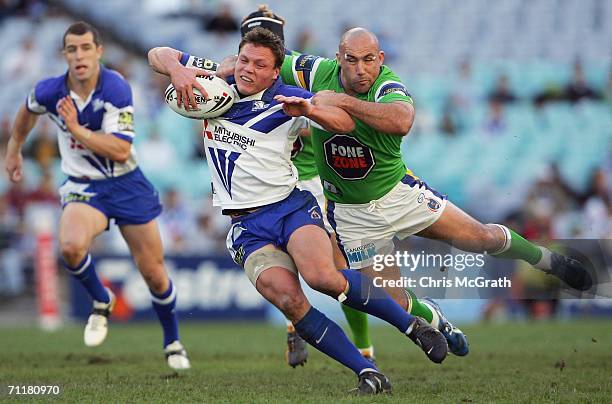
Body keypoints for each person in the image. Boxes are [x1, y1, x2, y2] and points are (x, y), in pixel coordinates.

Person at [148, 27, 449, 394]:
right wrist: (179, 72)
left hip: (289, 208)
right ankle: (368, 373)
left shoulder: (286, 96)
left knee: (323, 276)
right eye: (244, 60)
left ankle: (412, 326)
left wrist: (309, 110)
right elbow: (158, 53)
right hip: (247, 225)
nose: (247, 69)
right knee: (291, 302)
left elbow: (345, 122)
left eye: (260, 65)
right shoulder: (215, 82)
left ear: (276, 72)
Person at [4, 21, 190, 370]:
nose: (79, 56)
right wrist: (14, 148)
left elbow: (120, 150)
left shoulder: (116, 87)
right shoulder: (50, 90)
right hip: (84, 186)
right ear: (64, 55)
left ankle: (173, 341)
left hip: (126, 183)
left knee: (153, 272)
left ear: (98, 52)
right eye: (72, 50)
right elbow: (28, 111)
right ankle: (101, 300)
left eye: (85, 48)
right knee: (71, 247)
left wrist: (74, 128)